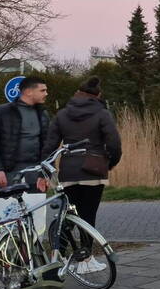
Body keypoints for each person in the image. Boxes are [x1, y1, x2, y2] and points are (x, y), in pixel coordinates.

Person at [44, 76, 122, 273]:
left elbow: (50, 146)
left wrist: (48, 169)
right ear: (98, 95)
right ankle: (85, 260)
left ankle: (56, 256)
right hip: (93, 171)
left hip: (68, 172)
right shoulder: (102, 114)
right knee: (87, 217)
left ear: (77, 94)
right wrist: (110, 163)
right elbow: (114, 143)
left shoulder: (62, 114)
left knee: (67, 216)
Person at [0, 76, 50, 193]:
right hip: (9, 173)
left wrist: (45, 174)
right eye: (42, 90)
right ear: (29, 92)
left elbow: (47, 146)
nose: (46, 93)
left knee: (36, 210)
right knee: (9, 209)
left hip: (36, 172)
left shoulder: (43, 114)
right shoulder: (1, 112)